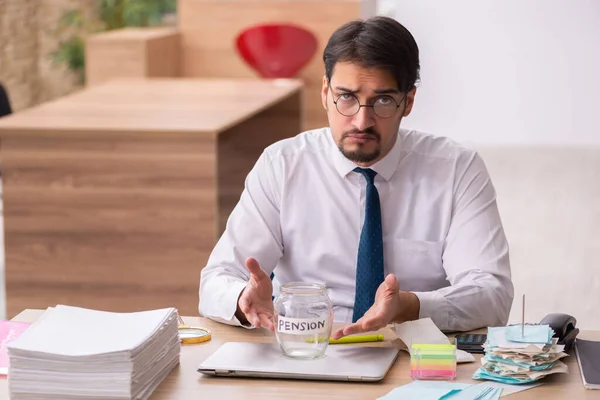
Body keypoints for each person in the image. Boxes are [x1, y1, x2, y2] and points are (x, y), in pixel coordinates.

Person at [198, 16, 513, 338]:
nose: (362, 121)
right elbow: (216, 279)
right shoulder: (282, 165)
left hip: (411, 346)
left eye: (383, 101)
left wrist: (410, 306)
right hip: (307, 346)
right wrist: (240, 299)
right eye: (346, 97)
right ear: (325, 93)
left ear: (409, 102)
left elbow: (492, 293)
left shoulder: (457, 169)